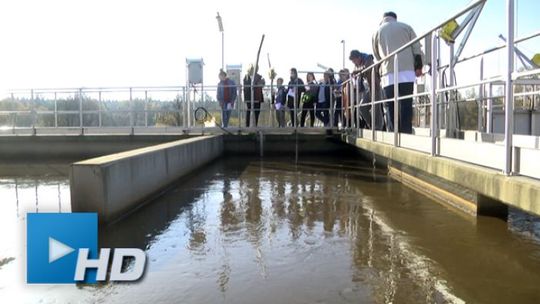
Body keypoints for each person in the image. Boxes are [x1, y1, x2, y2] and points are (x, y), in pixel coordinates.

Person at [372, 11, 423, 134]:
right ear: (395, 18)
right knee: (406, 103)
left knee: (390, 105)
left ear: (383, 19)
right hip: (407, 71)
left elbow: (376, 55)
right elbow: (417, 48)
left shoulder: (377, 32)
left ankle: (392, 132)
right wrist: (418, 67)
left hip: (388, 72)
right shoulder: (406, 27)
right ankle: (406, 132)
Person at [349, 50, 385, 130]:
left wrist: (357, 72)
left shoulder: (368, 58)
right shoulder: (358, 64)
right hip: (368, 88)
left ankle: (378, 128)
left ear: (358, 57)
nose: (354, 63)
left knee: (376, 107)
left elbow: (368, 68)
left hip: (375, 86)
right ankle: (372, 125)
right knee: (362, 107)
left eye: (354, 60)